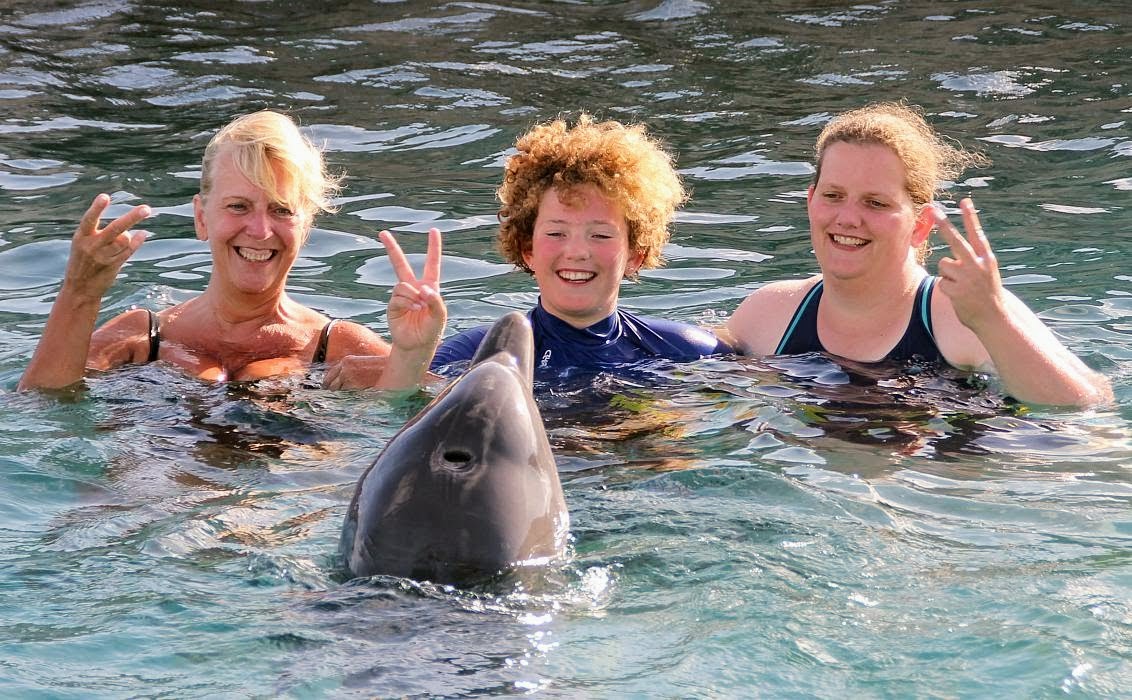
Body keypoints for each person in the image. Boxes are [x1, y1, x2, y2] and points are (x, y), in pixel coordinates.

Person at [19, 110, 445, 392]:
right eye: (238, 206)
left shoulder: (337, 346)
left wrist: (412, 356)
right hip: (149, 498)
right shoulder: (144, 337)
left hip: (284, 507)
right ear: (202, 218)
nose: (259, 230)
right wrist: (80, 293)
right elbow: (42, 406)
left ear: (306, 225)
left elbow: (454, 411)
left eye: (281, 210)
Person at [723, 101, 1112, 407]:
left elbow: (1088, 404)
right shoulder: (770, 314)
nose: (848, 218)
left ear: (921, 224)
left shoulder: (960, 315)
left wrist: (993, 319)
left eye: (875, 203)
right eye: (833, 196)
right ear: (810, 201)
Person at [431, 113, 730, 375]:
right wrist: (411, 353)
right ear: (527, 250)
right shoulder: (474, 358)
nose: (576, 252)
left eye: (600, 235)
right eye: (556, 233)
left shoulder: (688, 354)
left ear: (635, 256)